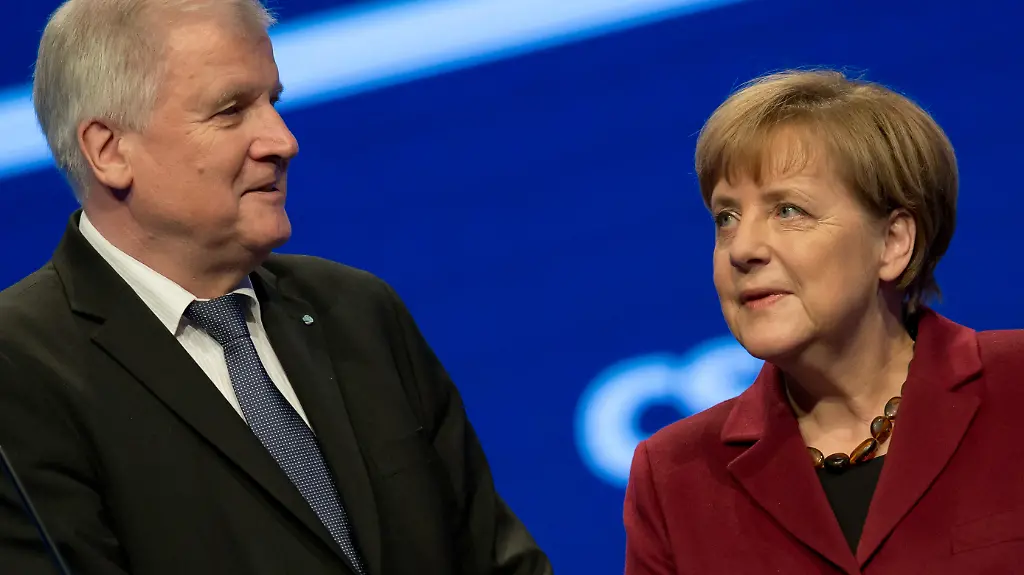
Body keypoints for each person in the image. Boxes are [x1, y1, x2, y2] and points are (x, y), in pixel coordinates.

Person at [0, 1, 552, 574]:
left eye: (273, 103)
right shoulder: (19, 370)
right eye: (230, 110)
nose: (283, 141)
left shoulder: (358, 312)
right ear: (109, 151)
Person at [623, 69, 1024, 574]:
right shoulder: (674, 477)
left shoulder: (1014, 386)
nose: (742, 249)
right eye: (726, 218)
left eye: (788, 210)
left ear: (893, 243)